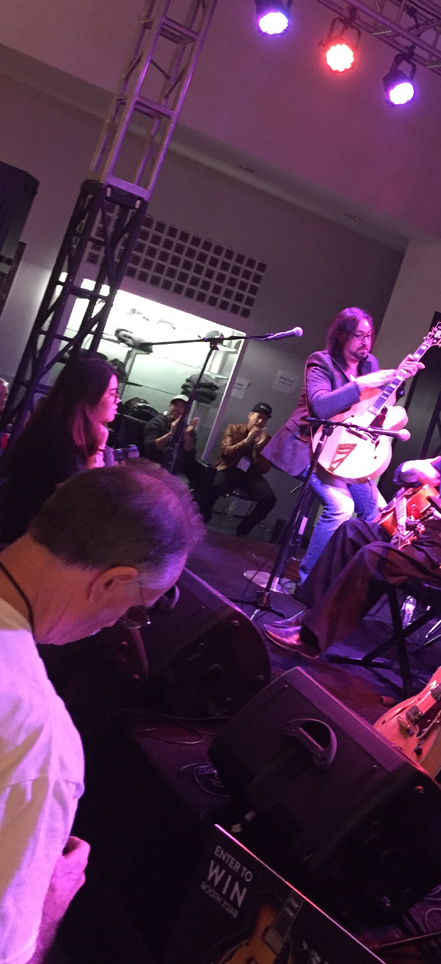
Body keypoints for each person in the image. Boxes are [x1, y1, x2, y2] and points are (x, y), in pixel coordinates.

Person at [0, 461, 203, 964]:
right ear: (112, 581)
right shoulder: (39, 740)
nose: (119, 624)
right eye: (137, 609)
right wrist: (48, 905)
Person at [262, 414, 441, 658]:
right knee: (352, 530)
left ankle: (311, 640)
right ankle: (310, 617)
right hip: (418, 534)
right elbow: (403, 474)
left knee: (374, 556)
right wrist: (413, 468)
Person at [263, 308, 421, 573]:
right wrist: (360, 384)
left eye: (369, 335)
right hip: (309, 445)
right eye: (358, 335)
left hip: (347, 449)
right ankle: (307, 579)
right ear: (340, 335)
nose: (366, 342)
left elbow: (375, 404)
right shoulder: (320, 362)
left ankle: (340, 575)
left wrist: (399, 377)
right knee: (341, 507)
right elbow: (320, 407)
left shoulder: (369, 363)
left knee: (378, 511)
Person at [0, 357, 120, 544]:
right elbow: (82, 504)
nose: (118, 400)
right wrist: (98, 449)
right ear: (90, 395)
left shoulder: (63, 428)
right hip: (23, 541)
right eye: (113, 394)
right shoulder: (59, 437)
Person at [199, 402, 276, 537]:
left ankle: (243, 530)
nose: (260, 421)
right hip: (230, 468)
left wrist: (258, 447)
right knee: (212, 487)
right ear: (250, 415)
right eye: (258, 417)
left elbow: (264, 469)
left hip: (251, 475)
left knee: (269, 499)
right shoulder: (233, 429)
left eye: (264, 419)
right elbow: (226, 453)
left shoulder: (267, 440)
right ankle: (203, 519)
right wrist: (246, 441)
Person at [141, 395, 205, 492]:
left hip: (176, 473)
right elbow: (150, 446)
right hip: (154, 466)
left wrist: (187, 435)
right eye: (175, 405)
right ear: (170, 406)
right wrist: (171, 434)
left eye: (182, 406)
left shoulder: (188, 429)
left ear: (187, 411)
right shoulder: (157, 422)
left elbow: (190, 457)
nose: (177, 408)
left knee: (183, 489)